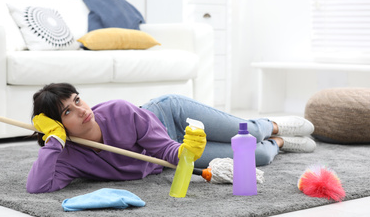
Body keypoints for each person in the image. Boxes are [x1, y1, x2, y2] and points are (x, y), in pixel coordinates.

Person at [27, 83, 316, 193]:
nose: (81, 110)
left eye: (78, 100)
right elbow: (37, 187)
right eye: (68, 111)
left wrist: (184, 149)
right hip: (167, 156)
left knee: (249, 134)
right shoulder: (67, 153)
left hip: (170, 118)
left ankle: (273, 126)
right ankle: (279, 144)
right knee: (260, 156)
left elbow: (164, 147)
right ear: (55, 125)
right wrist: (53, 141)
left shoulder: (120, 112)